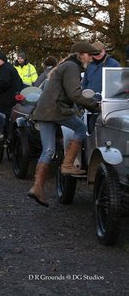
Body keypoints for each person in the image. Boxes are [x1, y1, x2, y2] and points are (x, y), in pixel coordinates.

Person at [28, 42, 101, 207]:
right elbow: (75, 94)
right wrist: (95, 105)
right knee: (81, 128)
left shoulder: (65, 66)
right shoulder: (72, 67)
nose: (91, 58)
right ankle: (67, 165)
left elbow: (69, 93)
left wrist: (83, 103)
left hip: (44, 111)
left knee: (48, 150)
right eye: (89, 55)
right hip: (56, 110)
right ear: (81, 54)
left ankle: (37, 187)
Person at [0, 52, 23, 137]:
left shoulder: (4, 68)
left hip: (8, 99)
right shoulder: (11, 67)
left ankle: (5, 135)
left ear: (0, 60)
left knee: (4, 116)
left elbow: (4, 83)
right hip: (15, 97)